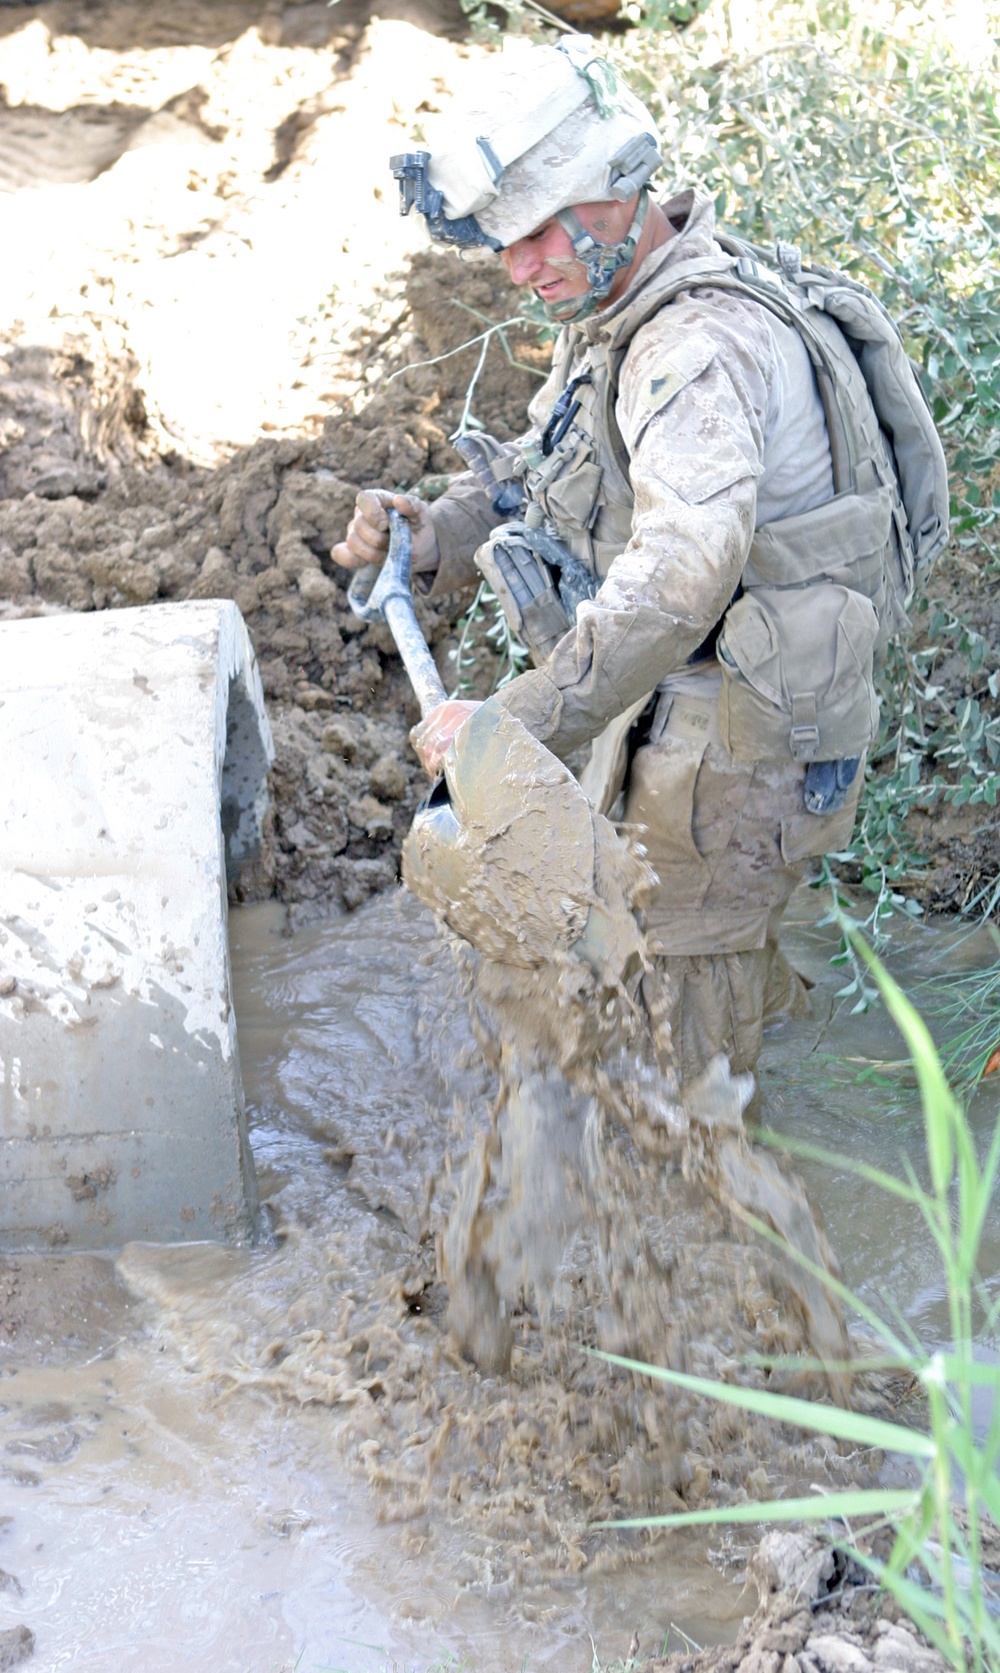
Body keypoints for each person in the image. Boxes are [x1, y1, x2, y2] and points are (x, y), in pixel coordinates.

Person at [331, 33, 906, 1094]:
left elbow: (683, 570)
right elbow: (552, 467)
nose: (517, 267)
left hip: (730, 758)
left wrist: (513, 722)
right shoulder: (621, 306)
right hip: (677, 718)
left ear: (615, 190)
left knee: (675, 1059)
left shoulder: (693, 347)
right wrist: (435, 530)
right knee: (657, 1014)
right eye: (502, 242)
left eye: (536, 233)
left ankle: (710, 1241)